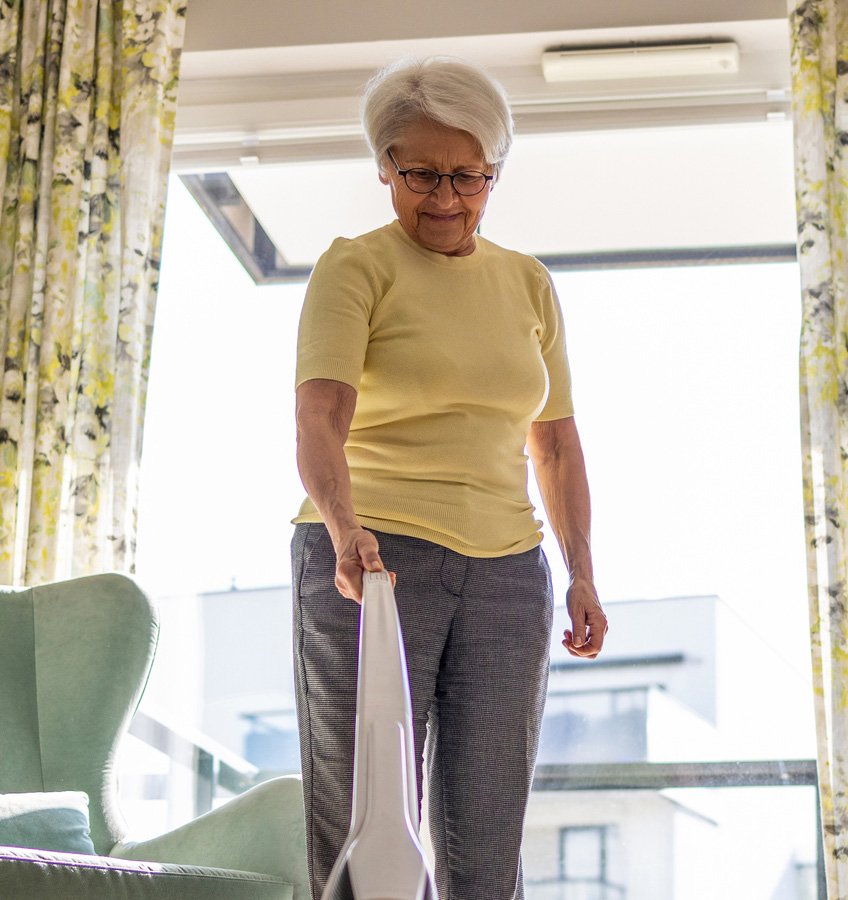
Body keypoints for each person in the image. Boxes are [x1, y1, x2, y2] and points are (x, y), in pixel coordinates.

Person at [290, 56, 609, 900]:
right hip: (376, 557)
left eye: (467, 175)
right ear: (384, 167)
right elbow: (320, 418)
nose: (443, 197)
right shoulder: (355, 266)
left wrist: (581, 573)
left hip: (509, 572)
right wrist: (342, 527)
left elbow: (557, 442)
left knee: (488, 832)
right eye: (419, 173)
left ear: (494, 172)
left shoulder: (527, 283)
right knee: (369, 816)